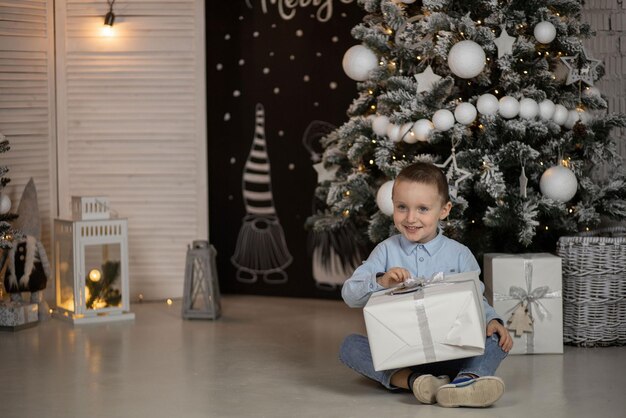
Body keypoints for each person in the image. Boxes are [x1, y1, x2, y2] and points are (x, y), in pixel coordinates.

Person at [339, 161, 513, 408]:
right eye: (402, 207)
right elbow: (349, 295)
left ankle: (465, 382)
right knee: (349, 346)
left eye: (422, 209)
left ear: (444, 210)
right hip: (401, 354)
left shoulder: (460, 255)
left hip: (453, 351)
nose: (411, 218)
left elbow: (477, 301)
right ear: (393, 205)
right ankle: (416, 381)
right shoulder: (386, 251)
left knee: (498, 339)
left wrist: (491, 320)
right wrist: (381, 280)